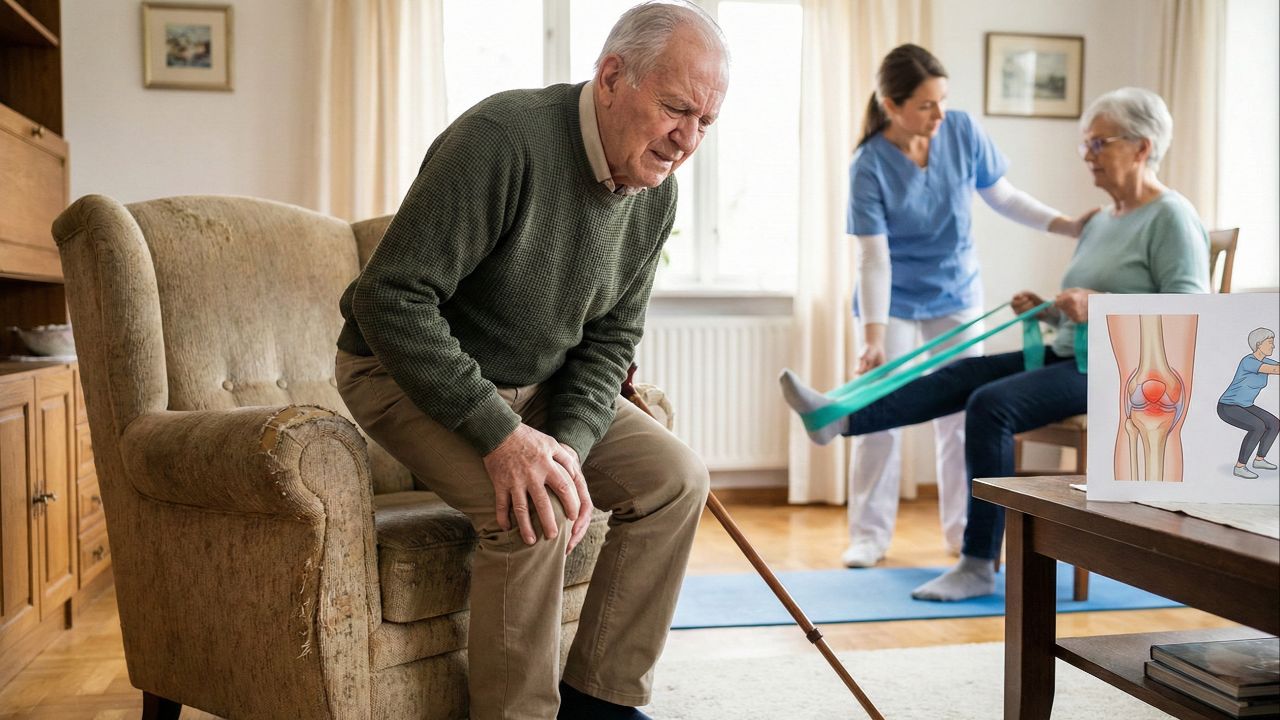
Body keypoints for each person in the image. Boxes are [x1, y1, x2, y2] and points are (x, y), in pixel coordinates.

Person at [334, 3, 728, 718]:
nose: (686, 141)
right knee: (534, 508)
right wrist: (503, 437)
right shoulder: (501, 139)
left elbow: (609, 344)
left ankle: (599, 702)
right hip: (401, 370)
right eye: (676, 109)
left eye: (706, 122)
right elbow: (389, 301)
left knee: (676, 479)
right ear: (612, 77)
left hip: (536, 384)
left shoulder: (654, 196)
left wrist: (565, 449)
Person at [781, 87, 1210, 601]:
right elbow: (1091, 306)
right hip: (1072, 353)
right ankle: (840, 418)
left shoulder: (1171, 217)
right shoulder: (1101, 221)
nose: (1087, 156)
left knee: (991, 406)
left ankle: (978, 562)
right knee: (962, 373)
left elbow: (1189, 314)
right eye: (1085, 144)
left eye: (1099, 144)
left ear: (1141, 147)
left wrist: (1095, 303)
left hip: (1124, 372)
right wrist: (1049, 308)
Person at [840, 44, 1095, 568]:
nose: (939, 115)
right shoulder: (868, 165)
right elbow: (873, 258)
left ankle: (962, 532)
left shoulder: (960, 131)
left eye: (942, 102)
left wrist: (1066, 225)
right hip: (891, 302)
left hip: (955, 292)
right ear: (892, 105)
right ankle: (868, 535)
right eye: (925, 106)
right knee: (880, 415)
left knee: (959, 414)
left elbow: (1002, 195)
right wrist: (873, 339)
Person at [1218, 328, 1279, 478]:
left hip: (1245, 405)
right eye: (1270, 343)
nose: (1273, 346)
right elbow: (1275, 369)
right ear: (1259, 344)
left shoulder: (1265, 360)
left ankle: (1259, 459)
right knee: (1258, 426)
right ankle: (1240, 466)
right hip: (1228, 406)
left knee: (1274, 423)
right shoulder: (1249, 361)